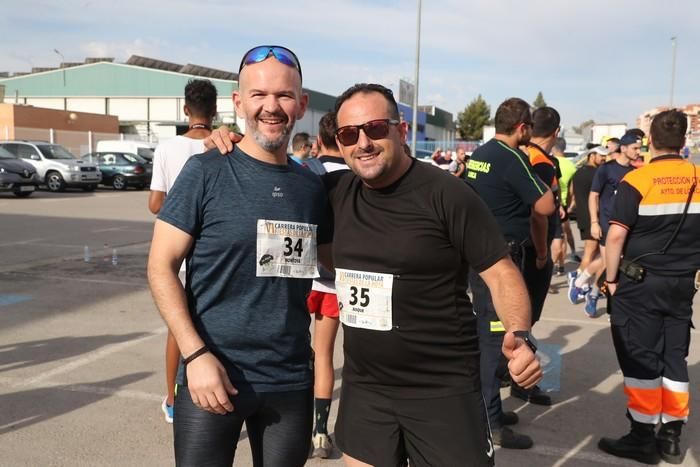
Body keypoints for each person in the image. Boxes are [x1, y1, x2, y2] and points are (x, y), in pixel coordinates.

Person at [209, 84, 543, 466]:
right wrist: (234, 145)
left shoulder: (448, 194)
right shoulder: (332, 190)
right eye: (350, 134)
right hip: (366, 390)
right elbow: (271, 176)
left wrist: (519, 333)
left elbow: (501, 272)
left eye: (376, 128)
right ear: (339, 141)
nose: (363, 142)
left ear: (401, 131)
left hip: (443, 389)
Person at [147, 45, 330, 467]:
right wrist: (194, 355)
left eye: (284, 96)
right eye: (259, 95)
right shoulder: (205, 172)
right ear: (238, 102)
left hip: (289, 380)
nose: (271, 107)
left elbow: (333, 262)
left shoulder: (312, 188)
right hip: (212, 374)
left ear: (301, 105)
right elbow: (160, 266)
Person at [598, 109, 699, 465]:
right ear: (683, 142)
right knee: (674, 356)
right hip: (682, 285)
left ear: (651, 141)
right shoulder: (698, 178)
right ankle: (671, 437)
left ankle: (642, 436)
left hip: (639, 284)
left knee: (640, 356)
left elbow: (615, 237)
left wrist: (610, 280)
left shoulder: (638, 181)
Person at [467, 97, 555, 449]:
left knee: (489, 338)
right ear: (522, 128)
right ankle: (490, 422)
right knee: (493, 343)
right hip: (502, 259)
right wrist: (548, 181)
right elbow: (544, 205)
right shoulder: (514, 157)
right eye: (528, 128)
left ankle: (493, 411)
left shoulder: (481, 153)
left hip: (479, 257)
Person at [147, 78, 218, 423]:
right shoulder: (223, 145)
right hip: (214, 252)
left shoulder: (167, 148)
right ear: (216, 110)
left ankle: (173, 399)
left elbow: (154, 202)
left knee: (179, 327)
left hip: (178, 249)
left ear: (185, 110)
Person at [306, 112, 349, 459]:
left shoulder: (305, 171)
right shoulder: (357, 177)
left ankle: (296, 426)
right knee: (326, 355)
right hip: (341, 281)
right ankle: (321, 433)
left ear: (319, 141)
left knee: (304, 354)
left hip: (305, 276)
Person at [587, 132, 641, 314]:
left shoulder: (634, 173)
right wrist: (594, 222)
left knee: (617, 266)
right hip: (606, 224)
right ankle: (594, 293)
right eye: (635, 148)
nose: (638, 151)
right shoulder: (606, 169)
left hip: (625, 226)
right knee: (609, 264)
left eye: (639, 148)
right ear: (624, 148)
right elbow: (593, 195)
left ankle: (604, 298)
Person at [567, 146, 608, 316]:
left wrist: (570, 207)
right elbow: (597, 197)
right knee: (591, 255)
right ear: (592, 156)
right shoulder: (596, 174)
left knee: (596, 255)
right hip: (593, 220)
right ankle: (577, 280)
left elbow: (572, 193)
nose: (604, 159)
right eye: (602, 156)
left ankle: (580, 280)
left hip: (584, 217)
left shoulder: (578, 172)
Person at [551, 137, 579, 266]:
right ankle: (568, 258)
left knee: (555, 236)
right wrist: (571, 204)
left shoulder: (551, 162)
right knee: (565, 233)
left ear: (554, 148)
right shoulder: (571, 166)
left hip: (552, 201)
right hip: (564, 203)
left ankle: (556, 264)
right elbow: (572, 191)